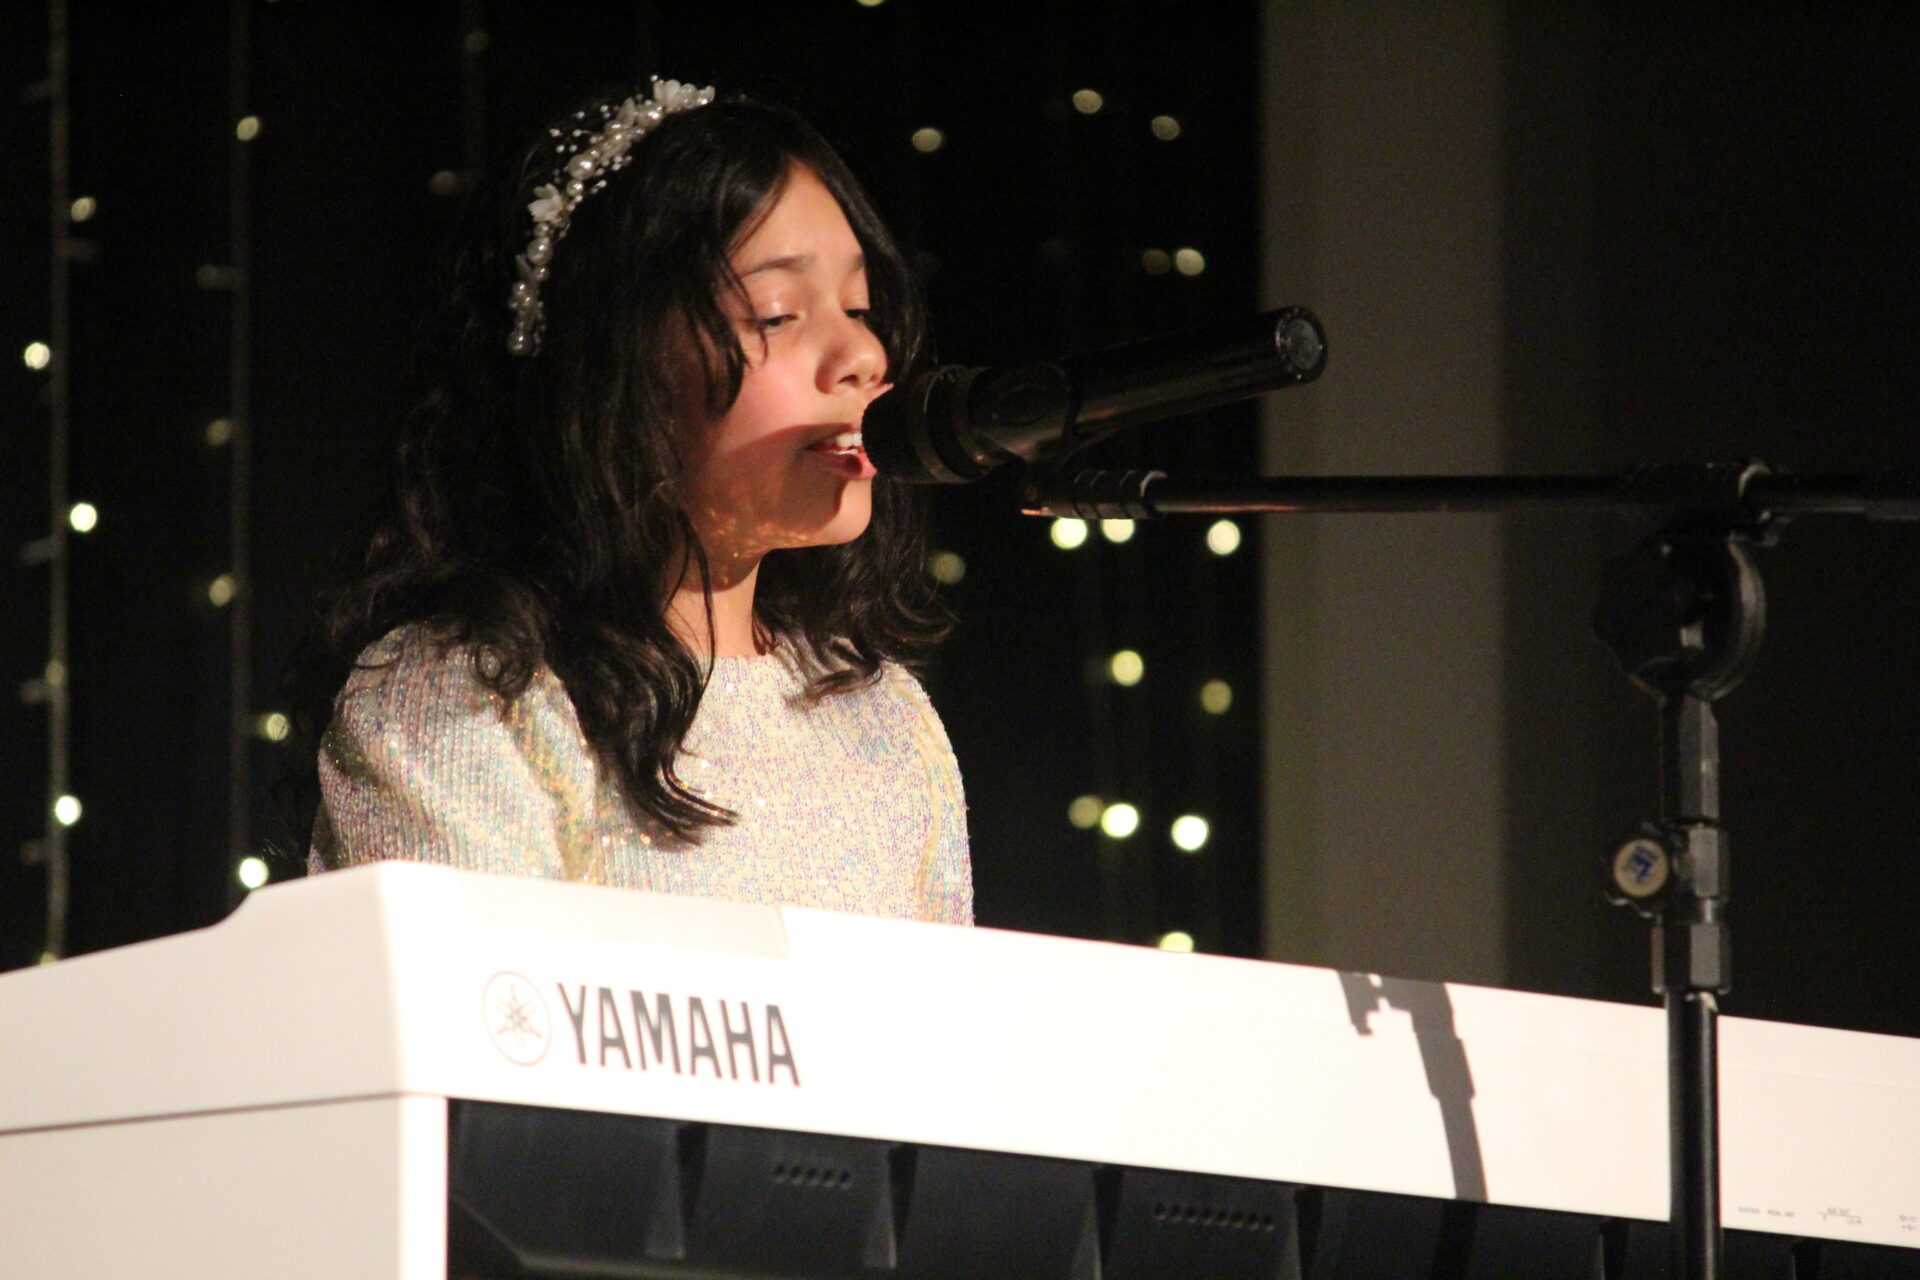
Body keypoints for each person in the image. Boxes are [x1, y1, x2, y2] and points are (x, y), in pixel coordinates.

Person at [292, 79, 971, 925]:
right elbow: (457, 997)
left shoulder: (881, 712)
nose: (863, 354)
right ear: (608, 364)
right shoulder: (473, 698)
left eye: (860, 307)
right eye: (777, 314)